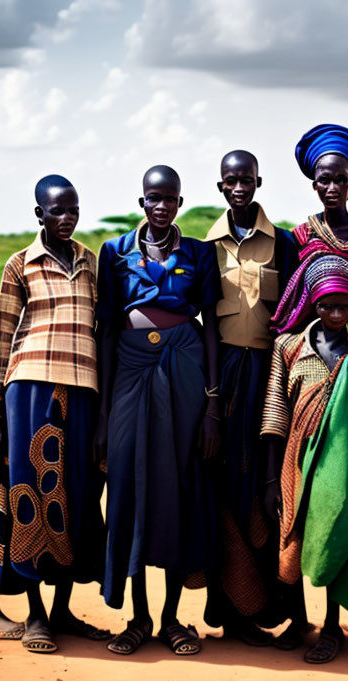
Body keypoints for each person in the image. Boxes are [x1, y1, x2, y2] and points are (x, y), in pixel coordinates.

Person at [96, 165, 221, 656]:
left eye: (170, 199)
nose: (162, 206)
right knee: (129, 485)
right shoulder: (116, 252)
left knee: (175, 486)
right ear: (142, 202)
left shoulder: (198, 253)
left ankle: (170, 619)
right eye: (154, 198)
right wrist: (105, 412)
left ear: (180, 203)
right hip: (130, 368)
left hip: (184, 367)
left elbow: (210, 324)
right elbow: (107, 329)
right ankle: (138, 617)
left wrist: (212, 400)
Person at [0, 175, 109, 653]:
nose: (67, 217)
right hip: (30, 391)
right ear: (39, 214)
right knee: (30, 494)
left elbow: (103, 331)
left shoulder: (91, 263)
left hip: (82, 394)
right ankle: (35, 613)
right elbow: (0, 341)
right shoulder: (19, 265)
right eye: (56, 210)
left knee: (76, 494)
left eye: (73, 209)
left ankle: (62, 612)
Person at [262, 255, 348, 664]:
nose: (336, 314)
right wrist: (271, 479)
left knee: (341, 532)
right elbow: (275, 411)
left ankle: (334, 626)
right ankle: (300, 619)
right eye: (326, 306)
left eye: (344, 306)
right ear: (312, 303)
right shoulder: (288, 345)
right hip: (300, 459)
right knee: (299, 533)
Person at [202, 150, 300, 645]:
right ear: (220, 186)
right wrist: (212, 399)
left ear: (259, 182)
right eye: (230, 181)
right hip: (225, 375)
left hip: (269, 372)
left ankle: (275, 608)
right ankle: (231, 610)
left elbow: (294, 314)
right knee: (225, 486)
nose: (239, 187)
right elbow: (204, 323)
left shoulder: (282, 244)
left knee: (271, 484)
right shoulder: (205, 248)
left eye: (247, 179)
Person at [273, 123, 348, 334]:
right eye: (324, 180)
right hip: (314, 340)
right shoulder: (300, 237)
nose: (332, 189)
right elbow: (292, 301)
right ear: (315, 186)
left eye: (340, 180)